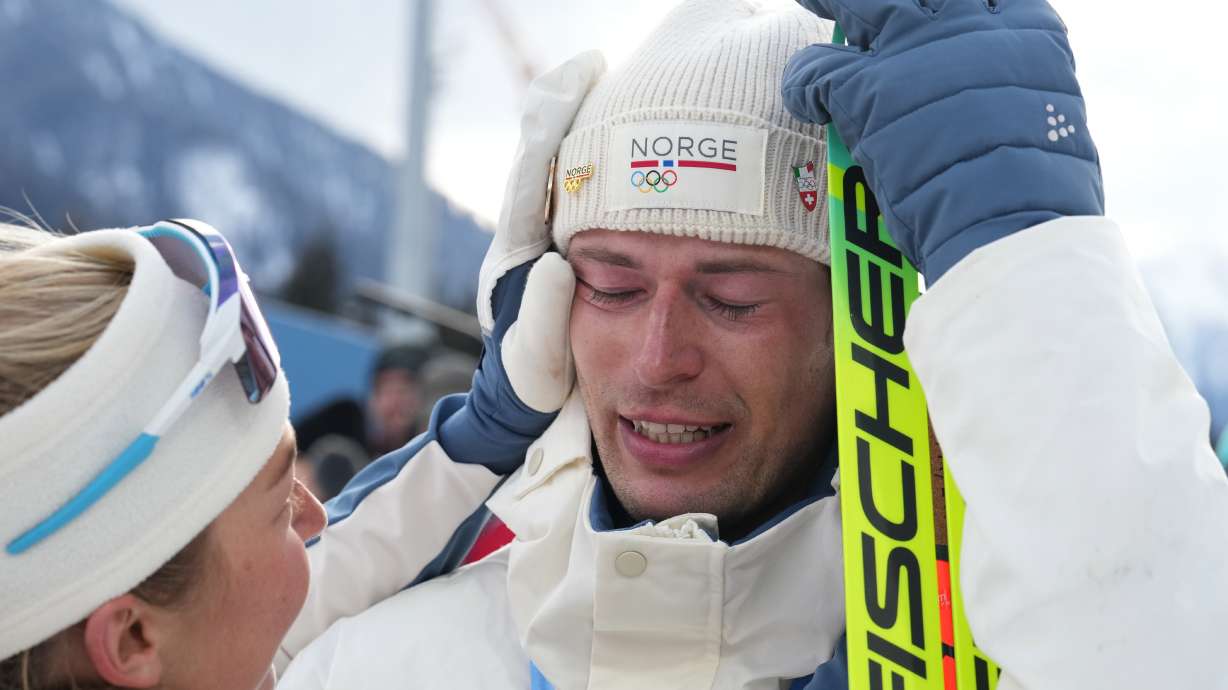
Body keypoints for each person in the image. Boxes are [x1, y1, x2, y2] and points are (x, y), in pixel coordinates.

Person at [277, 1, 1228, 689]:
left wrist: (1031, 269)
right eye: (610, 285)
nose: (658, 358)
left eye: (731, 299)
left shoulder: (1000, 649)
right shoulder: (383, 661)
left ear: (861, 327)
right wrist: (463, 450)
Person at [0, 214, 572, 689]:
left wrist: (484, 434)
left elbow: (309, 588)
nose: (319, 514)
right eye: (280, 511)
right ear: (133, 639)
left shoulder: (199, 649)